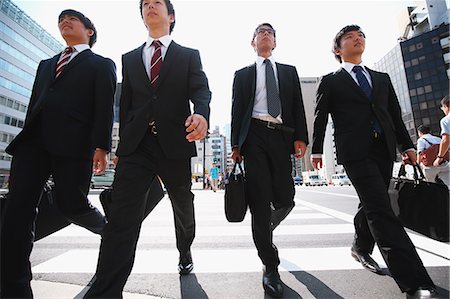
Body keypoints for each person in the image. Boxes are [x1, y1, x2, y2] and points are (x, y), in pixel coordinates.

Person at [83, 0, 211, 297]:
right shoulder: (129, 58)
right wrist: (118, 144)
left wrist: (202, 113)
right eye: (146, 4)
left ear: (171, 15)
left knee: (183, 206)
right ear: (142, 16)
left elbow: (201, 89)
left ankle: (185, 250)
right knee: (122, 218)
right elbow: (126, 104)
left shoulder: (188, 55)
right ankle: (105, 290)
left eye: (157, 3)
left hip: (175, 144)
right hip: (137, 146)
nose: (150, 6)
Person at [311, 24, 437, 299]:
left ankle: (360, 247)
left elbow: (393, 113)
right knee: (381, 210)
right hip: (355, 152)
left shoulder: (381, 78)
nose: (357, 38)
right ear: (337, 49)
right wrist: (316, 151)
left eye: (361, 35)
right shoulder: (331, 80)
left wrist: (407, 145)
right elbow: (320, 116)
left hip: (384, 150)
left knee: (371, 201)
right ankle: (414, 281)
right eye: (349, 37)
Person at [0, 9, 117, 297]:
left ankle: (112, 233)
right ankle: (13, 286)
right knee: (17, 212)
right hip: (33, 144)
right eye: (61, 20)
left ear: (89, 31)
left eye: (72, 19)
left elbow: (104, 106)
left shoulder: (101, 64)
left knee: (71, 204)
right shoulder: (45, 64)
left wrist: (102, 146)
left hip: (73, 145)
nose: (65, 22)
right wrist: (26, 135)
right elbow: (34, 104)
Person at [231, 23, 308, 298]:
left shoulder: (288, 72)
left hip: (281, 137)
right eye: (260, 32)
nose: (265, 35)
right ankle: (270, 265)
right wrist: (235, 145)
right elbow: (237, 109)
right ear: (252, 42)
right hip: (254, 137)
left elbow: (298, 105)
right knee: (260, 201)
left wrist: (302, 138)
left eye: (270, 33)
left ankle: (263, 226)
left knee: (287, 197)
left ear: (275, 43)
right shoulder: (242, 75)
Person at [432, 96, 450, 186]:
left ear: (447, 106)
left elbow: (446, 139)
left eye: (442, 107)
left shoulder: (446, 120)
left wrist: (440, 157)